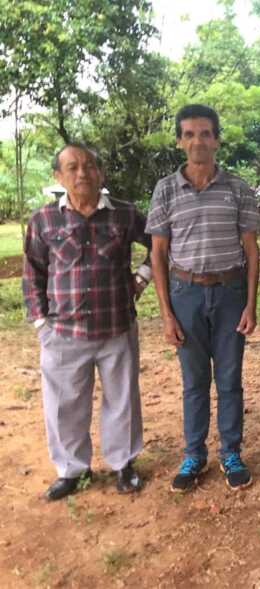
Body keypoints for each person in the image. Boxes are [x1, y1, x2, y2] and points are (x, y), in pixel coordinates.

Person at [23, 143, 151, 500]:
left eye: (89, 165)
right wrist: (40, 324)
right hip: (63, 332)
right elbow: (32, 273)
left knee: (123, 400)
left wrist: (140, 278)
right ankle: (71, 470)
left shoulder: (125, 215)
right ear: (59, 176)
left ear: (101, 172)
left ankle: (123, 465)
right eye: (73, 167)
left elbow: (159, 243)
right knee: (64, 406)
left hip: (117, 328)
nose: (82, 173)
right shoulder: (44, 220)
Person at [147, 104, 260, 492]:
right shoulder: (165, 190)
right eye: (190, 134)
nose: (198, 141)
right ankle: (194, 454)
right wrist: (166, 313)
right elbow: (158, 254)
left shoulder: (238, 188)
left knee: (229, 379)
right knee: (194, 380)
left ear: (217, 139)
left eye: (206, 133)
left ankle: (231, 452)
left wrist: (250, 303)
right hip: (185, 294)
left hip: (230, 292)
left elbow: (252, 250)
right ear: (180, 141)